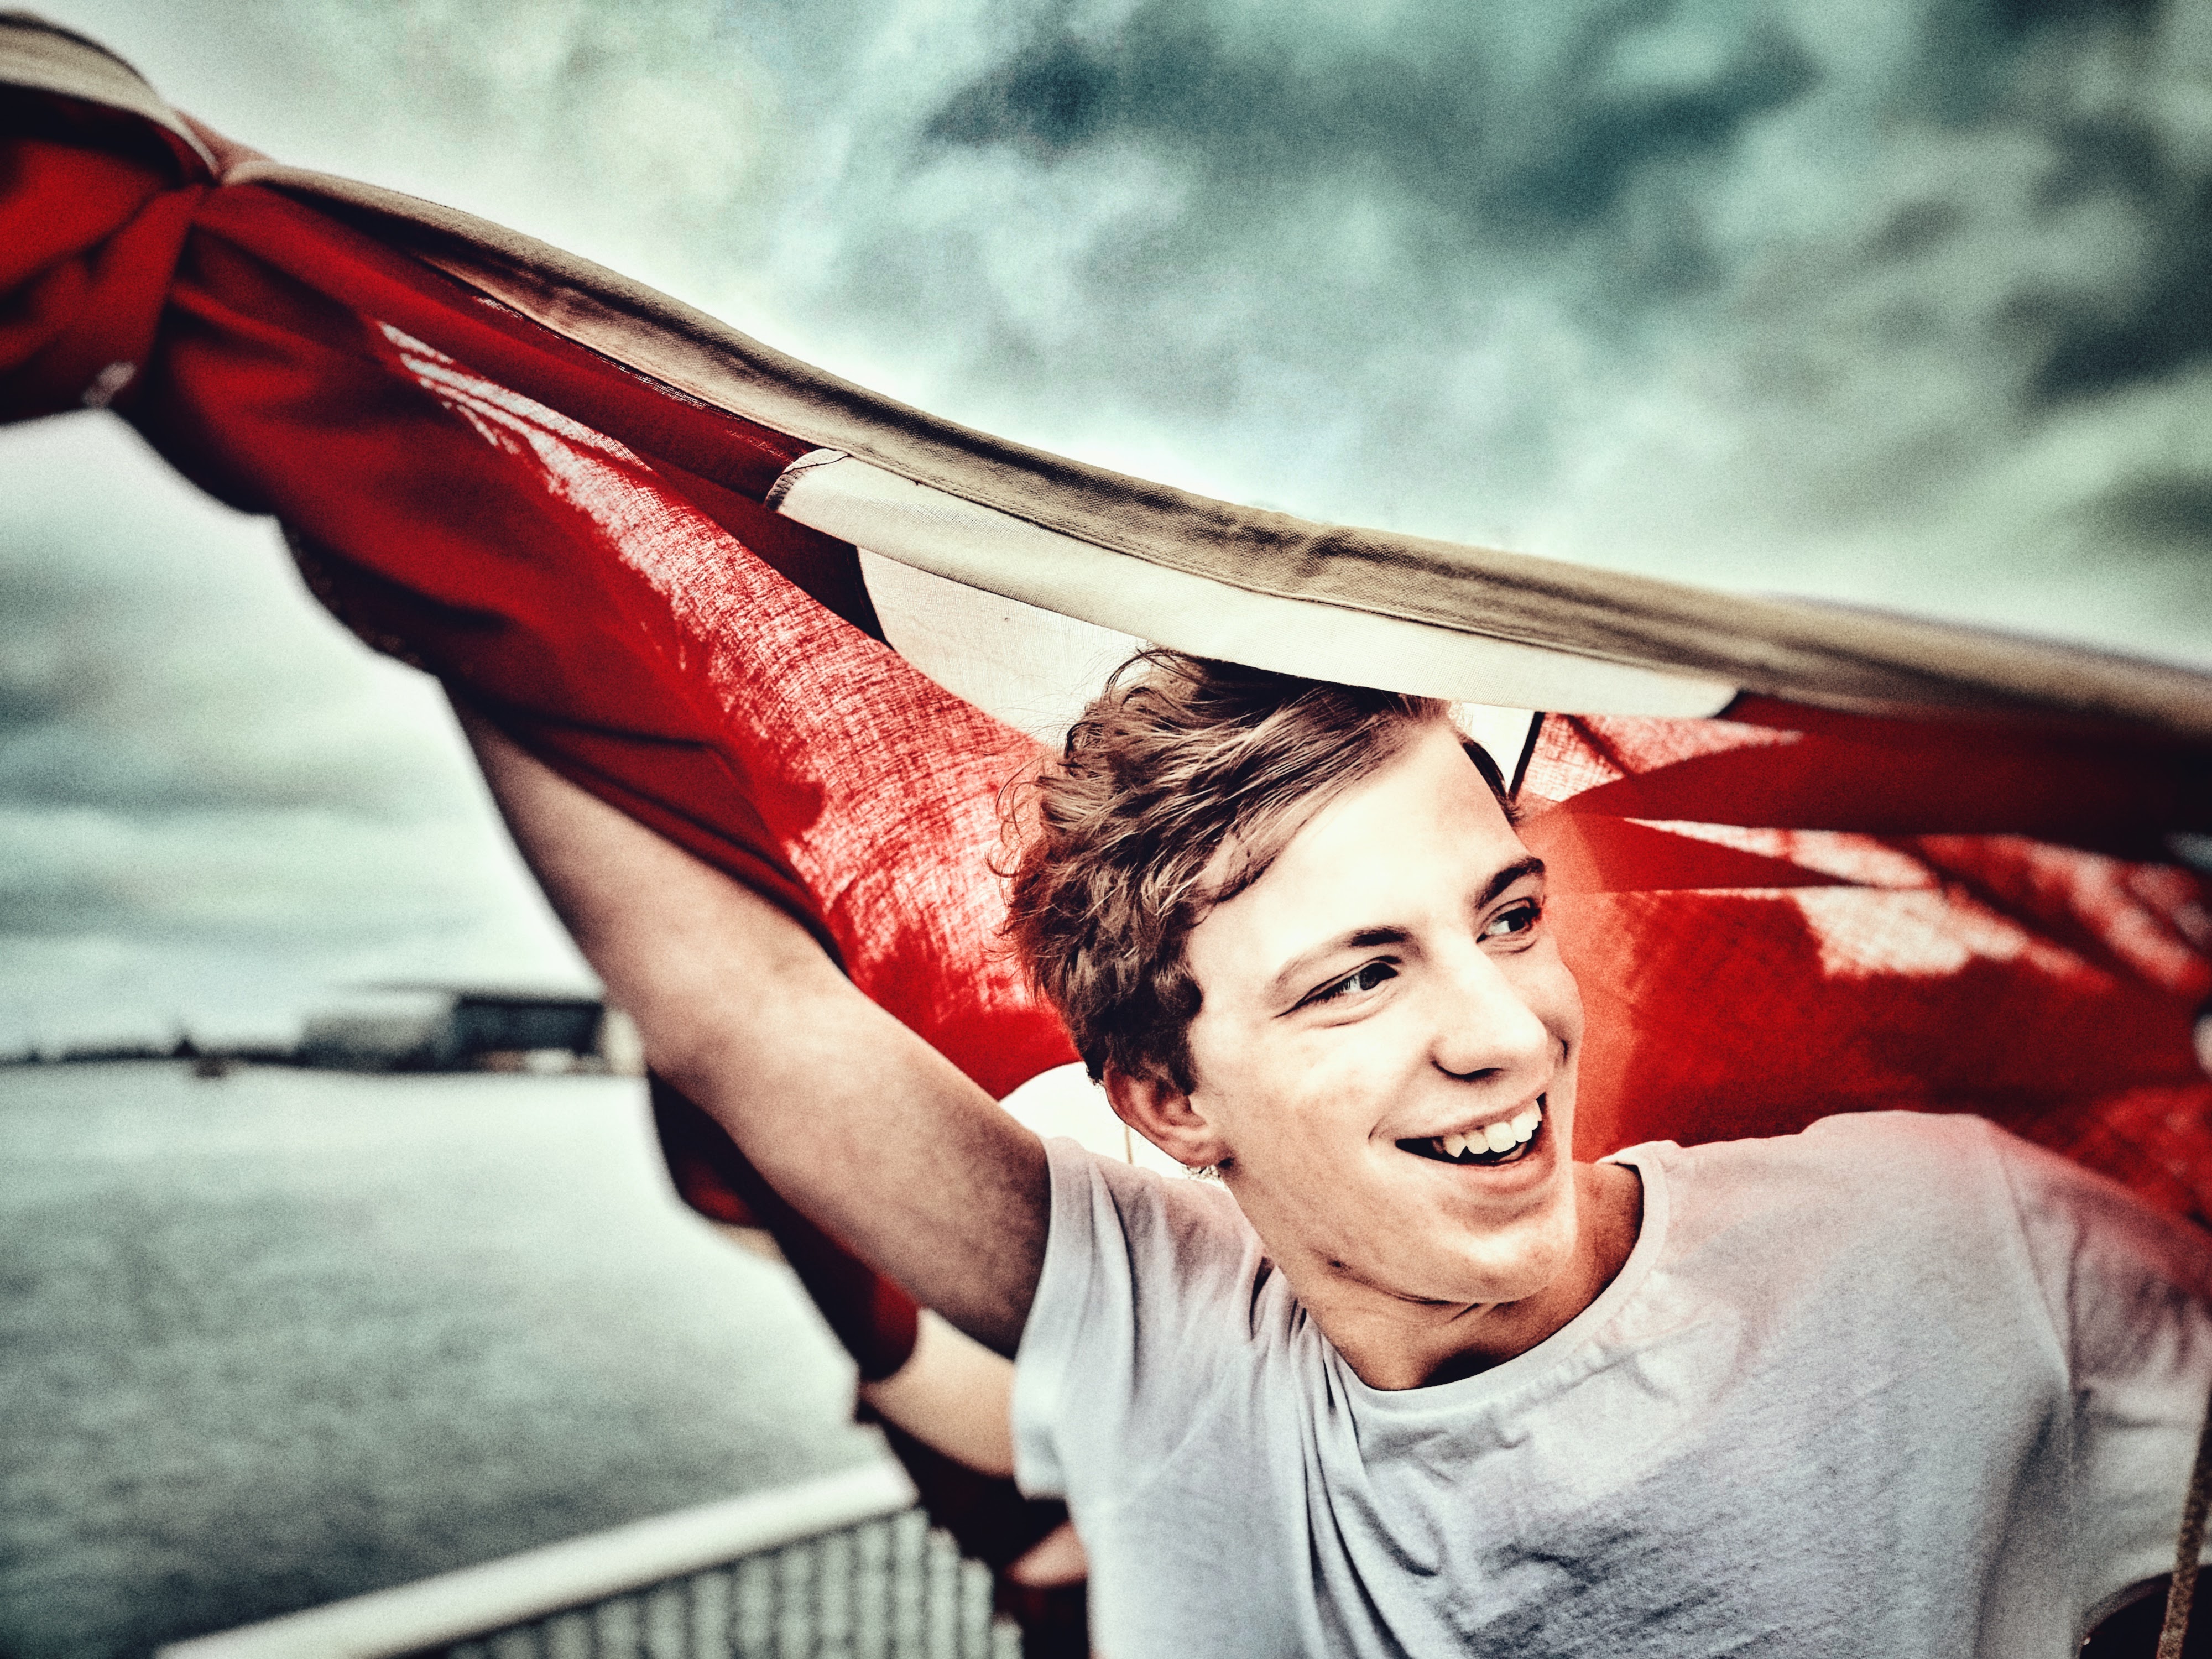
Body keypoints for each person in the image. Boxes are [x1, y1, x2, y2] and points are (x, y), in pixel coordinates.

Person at [457, 651, 2212, 1658]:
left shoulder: (1953, 1241)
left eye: (1506, 917)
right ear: (1169, 1101)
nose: (1510, 1032)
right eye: (1361, 976)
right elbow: (734, 1012)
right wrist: (353, 397)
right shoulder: (1163, 1337)